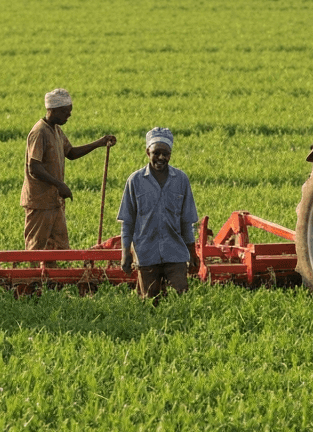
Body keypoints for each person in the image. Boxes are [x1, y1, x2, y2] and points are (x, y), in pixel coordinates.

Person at [21, 88, 116, 251]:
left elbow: (70, 153)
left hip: (54, 201)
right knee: (36, 246)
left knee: (59, 246)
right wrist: (59, 185)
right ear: (52, 110)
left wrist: (98, 143)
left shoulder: (57, 130)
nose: (69, 115)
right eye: (65, 111)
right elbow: (34, 167)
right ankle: (34, 277)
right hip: (39, 201)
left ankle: (53, 276)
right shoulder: (39, 132)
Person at [118, 127, 199, 301]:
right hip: (146, 253)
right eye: (157, 153)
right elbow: (128, 222)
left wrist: (192, 253)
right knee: (149, 301)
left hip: (175, 252)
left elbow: (186, 221)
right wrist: (125, 254)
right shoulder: (135, 181)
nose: (161, 157)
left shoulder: (181, 180)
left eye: (166, 153)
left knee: (180, 299)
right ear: (148, 152)